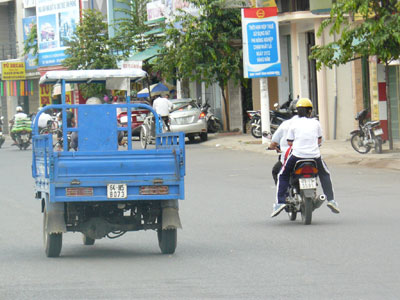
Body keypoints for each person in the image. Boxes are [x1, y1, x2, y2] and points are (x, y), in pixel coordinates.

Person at [271, 98, 340, 218]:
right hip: (315, 156)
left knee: (282, 174)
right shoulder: (316, 123)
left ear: (297, 111)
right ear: (310, 111)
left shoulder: (292, 124)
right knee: (325, 174)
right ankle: (331, 200)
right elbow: (319, 140)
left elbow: (290, 142)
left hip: (297, 156)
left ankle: (280, 202)